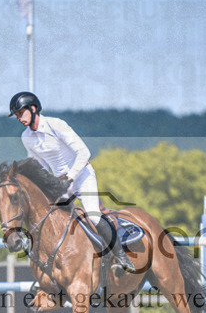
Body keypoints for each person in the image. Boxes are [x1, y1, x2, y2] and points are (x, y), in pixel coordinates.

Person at [8, 91, 135, 273]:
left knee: (92, 215)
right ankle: (49, 268)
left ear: (33, 108)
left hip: (82, 176)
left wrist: (69, 178)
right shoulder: (26, 137)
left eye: (21, 113)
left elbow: (84, 152)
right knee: (47, 218)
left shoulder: (56, 125)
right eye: (17, 115)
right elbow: (39, 166)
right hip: (60, 184)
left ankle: (121, 256)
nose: (19, 118)